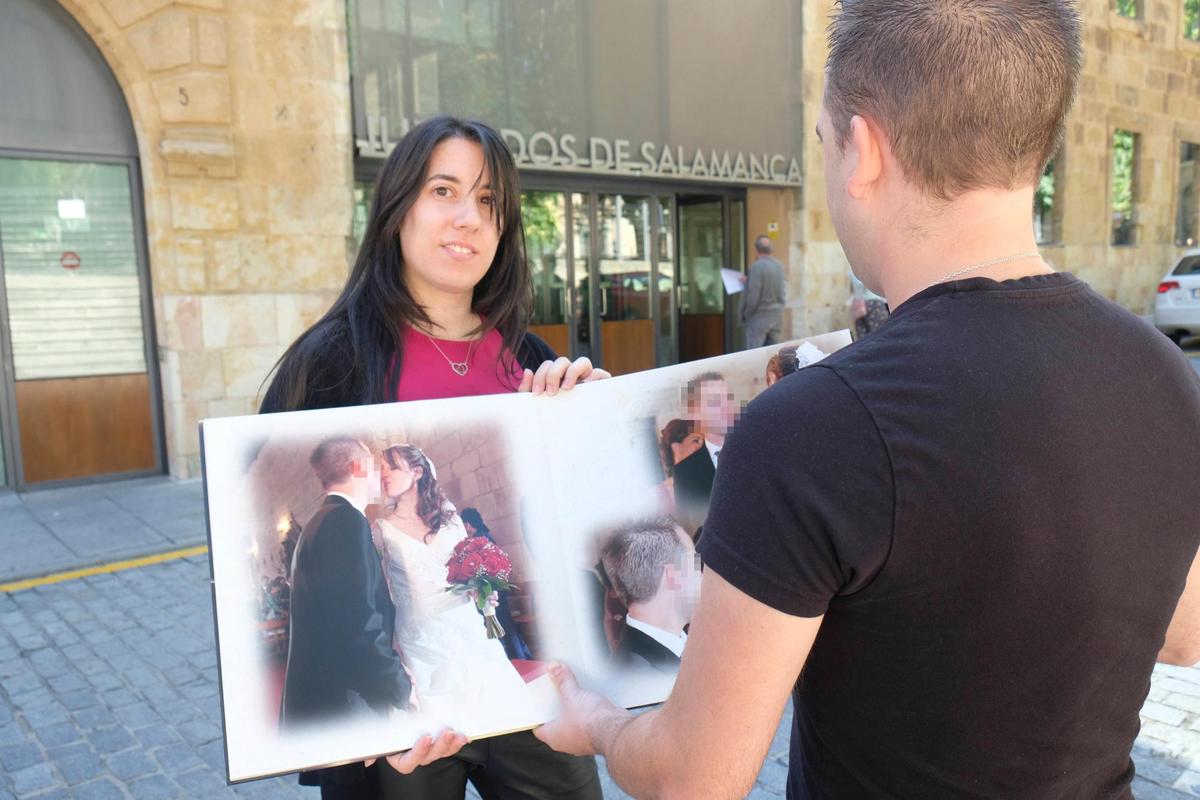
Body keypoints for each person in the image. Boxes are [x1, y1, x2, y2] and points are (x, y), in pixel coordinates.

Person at [532, 2, 1200, 798]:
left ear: (865, 152)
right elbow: (1183, 634)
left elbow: (694, 776)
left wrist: (595, 723)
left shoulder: (811, 427)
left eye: (823, 140)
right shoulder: (1163, 372)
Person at [260, 115, 604, 799]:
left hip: (505, 685)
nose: (468, 219)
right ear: (397, 210)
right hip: (405, 720)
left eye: (487, 201)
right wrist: (354, 719)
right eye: (443, 191)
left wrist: (595, 425)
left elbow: (579, 516)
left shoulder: (531, 359)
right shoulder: (328, 363)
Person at [372, 445, 531, 728]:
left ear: (417, 472)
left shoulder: (449, 517)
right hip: (419, 636)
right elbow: (377, 588)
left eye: (392, 468)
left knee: (495, 711)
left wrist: (482, 589)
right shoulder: (381, 529)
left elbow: (466, 564)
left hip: (464, 623)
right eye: (381, 469)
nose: (383, 475)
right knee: (442, 723)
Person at [280, 438, 412, 729]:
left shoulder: (320, 522)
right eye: (373, 466)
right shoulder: (345, 521)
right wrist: (398, 685)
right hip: (347, 702)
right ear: (358, 467)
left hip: (328, 694)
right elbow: (358, 621)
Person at [599, 518, 699, 673]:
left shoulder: (694, 645)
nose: (702, 577)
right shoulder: (640, 678)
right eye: (695, 564)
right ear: (673, 577)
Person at [459, 506, 533, 660]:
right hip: (495, 590)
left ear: (468, 524)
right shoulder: (485, 536)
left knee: (504, 627)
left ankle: (517, 659)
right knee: (506, 626)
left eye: (465, 524)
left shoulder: (480, 540)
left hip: (491, 591)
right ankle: (520, 657)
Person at [671, 372, 737, 539]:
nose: (726, 408)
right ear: (695, 414)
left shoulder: (756, 451)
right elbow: (690, 531)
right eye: (715, 402)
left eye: (728, 399)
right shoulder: (685, 472)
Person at [740, 235, 787, 349]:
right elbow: (781, 292)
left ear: (756, 250)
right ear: (771, 249)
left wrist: (746, 314)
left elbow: (753, 296)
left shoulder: (756, 266)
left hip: (759, 318)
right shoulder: (779, 266)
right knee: (772, 353)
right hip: (776, 316)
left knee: (754, 354)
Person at [849, 269, 889, 339]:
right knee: (881, 334)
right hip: (875, 304)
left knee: (862, 337)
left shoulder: (852, 270)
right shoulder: (869, 269)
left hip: (858, 305)